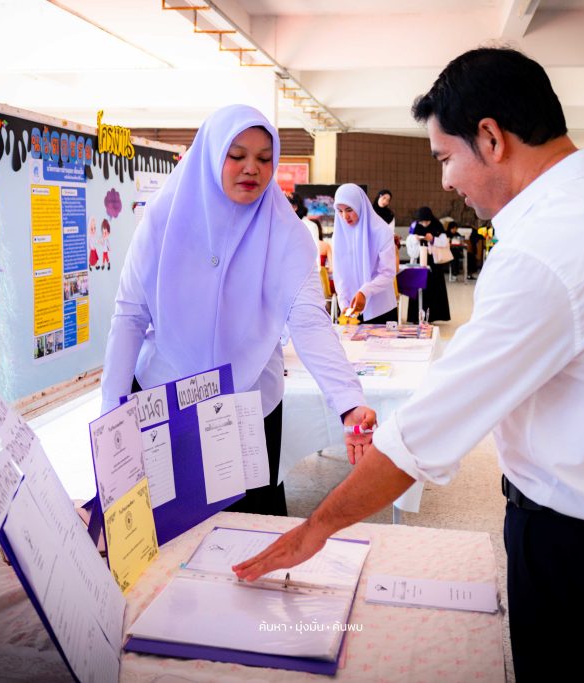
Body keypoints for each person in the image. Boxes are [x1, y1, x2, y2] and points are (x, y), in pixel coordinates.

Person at [233, 47, 584, 681]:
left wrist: (314, 528)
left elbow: (427, 432)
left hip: (571, 536)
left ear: (491, 138)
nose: (446, 182)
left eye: (444, 158)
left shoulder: (544, 249)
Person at [101, 104, 377, 516]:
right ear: (212, 155)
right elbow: (130, 317)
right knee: (165, 525)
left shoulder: (284, 231)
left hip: (247, 404)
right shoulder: (163, 218)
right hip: (164, 394)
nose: (252, 169)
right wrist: (111, 410)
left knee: (248, 529)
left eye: (265, 159)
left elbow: (307, 319)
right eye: (237, 155)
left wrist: (348, 400)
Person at [332, 183, 398, 324]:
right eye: (339, 211)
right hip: (351, 309)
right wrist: (343, 303)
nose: (345, 216)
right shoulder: (339, 235)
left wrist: (364, 292)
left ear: (360, 205)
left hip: (380, 309)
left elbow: (388, 272)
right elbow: (340, 274)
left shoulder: (382, 231)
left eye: (349, 209)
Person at [406, 206, 451, 322]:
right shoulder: (415, 225)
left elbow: (444, 242)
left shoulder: (437, 225)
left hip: (434, 263)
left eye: (427, 221)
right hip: (419, 260)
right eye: (422, 222)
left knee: (432, 287)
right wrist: (414, 239)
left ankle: (431, 316)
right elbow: (409, 240)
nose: (424, 224)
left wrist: (433, 239)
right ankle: (415, 316)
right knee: (418, 287)